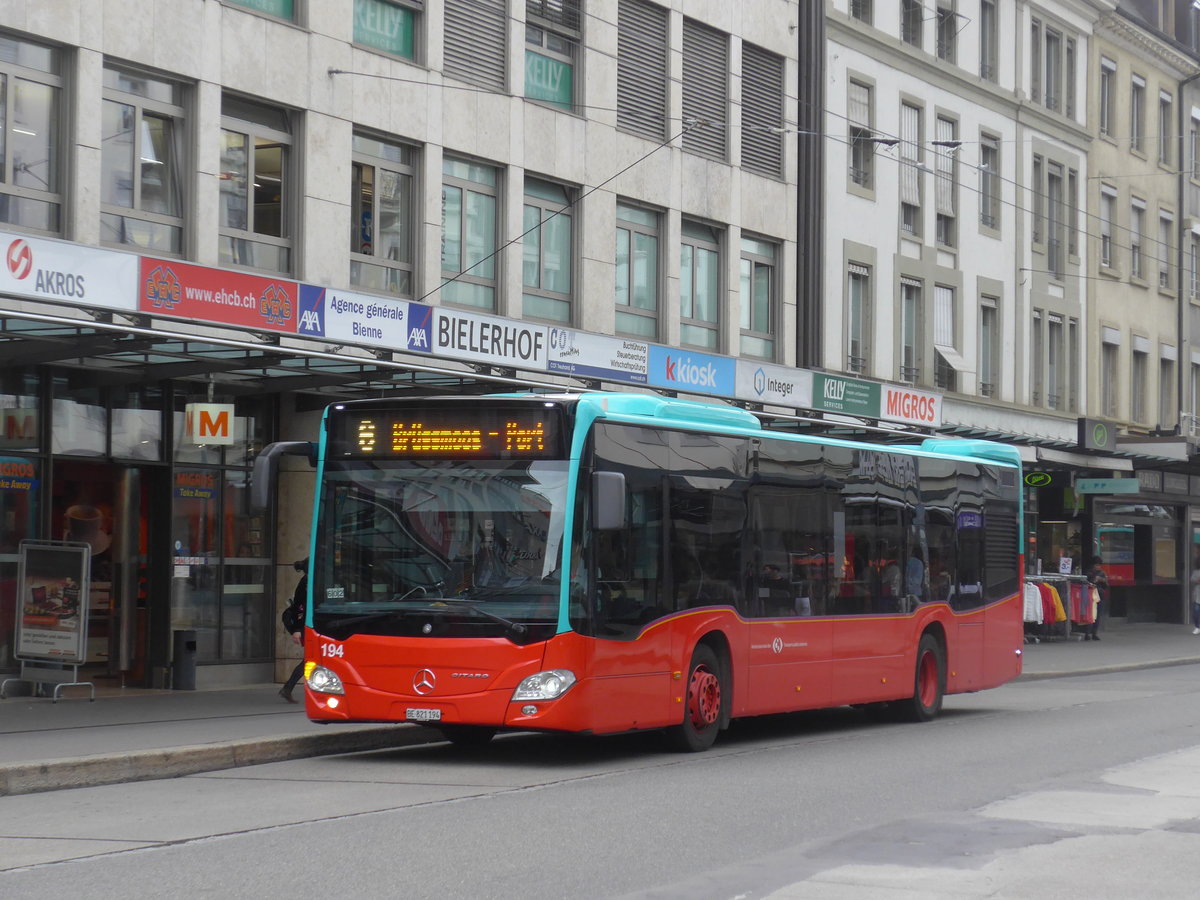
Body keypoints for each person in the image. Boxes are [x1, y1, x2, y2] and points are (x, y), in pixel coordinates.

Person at [279, 558, 307, 702]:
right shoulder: (306, 583)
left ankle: (288, 688)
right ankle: (288, 688)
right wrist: (298, 629)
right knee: (310, 660)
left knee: (310, 660)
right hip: (307, 626)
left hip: (308, 625)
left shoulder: (308, 581)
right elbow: (299, 608)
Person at [1085, 556, 1108, 641]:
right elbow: (1088, 583)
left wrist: (1103, 580)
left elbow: (1106, 586)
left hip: (1100, 595)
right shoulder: (1089, 573)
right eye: (1096, 565)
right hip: (1091, 595)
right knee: (1090, 615)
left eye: (1099, 565)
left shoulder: (1102, 573)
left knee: (1098, 615)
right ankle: (1087, 633)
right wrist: (1095, 580)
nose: (1098, 567)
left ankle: (1094, 633)